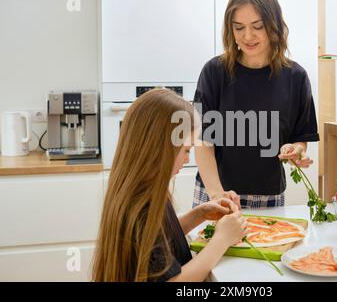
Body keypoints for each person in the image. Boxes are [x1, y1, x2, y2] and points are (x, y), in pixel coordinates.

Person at [92, 88, 247, 282]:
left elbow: (160, 244)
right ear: (160, 147)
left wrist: (200, 213)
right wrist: (221, 240)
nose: (187, 158)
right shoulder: (141, 208)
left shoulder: (144, 190)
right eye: (185, 150)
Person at [193, 0, 319, 209]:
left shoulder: (296, 77)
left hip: (268, 198)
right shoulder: (214, 72)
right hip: (215, 193)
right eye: (238, 27)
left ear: (274, 26)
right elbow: (203, 141)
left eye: (257, 26)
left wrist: (295, 150)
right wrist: (216, 194)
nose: (247, 36)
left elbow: (300, 138)